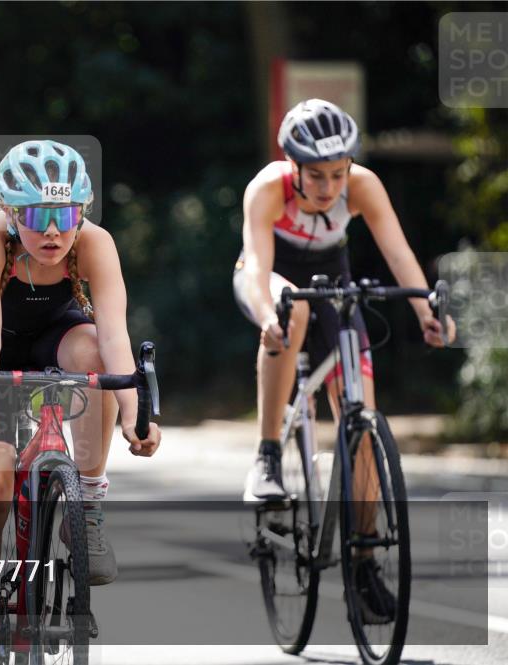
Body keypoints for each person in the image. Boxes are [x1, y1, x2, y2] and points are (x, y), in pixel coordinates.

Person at [233, 99, 455, 622]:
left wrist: (428, 311)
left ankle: (363, 562)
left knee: (363, 421)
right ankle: (267, 454)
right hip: (268, 275)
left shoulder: (363, 184)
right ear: (293, 166)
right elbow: (258, 263)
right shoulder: (268, 188)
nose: (330, 187)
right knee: (294, 318)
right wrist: (267, 316)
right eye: (317, 176)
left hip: (333, 276)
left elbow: (399, 255)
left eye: (339, 173)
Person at [0, 140, 161, 664]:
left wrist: (138, 418)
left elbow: (114, 338)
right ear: (10, 212)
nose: (53, 231)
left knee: (93, 352)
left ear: (81, 210)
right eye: (37, 217)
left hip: (59, 337)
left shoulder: (95, 243)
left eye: (65, 214)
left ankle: (86, 496)